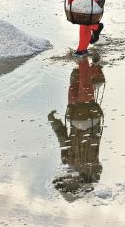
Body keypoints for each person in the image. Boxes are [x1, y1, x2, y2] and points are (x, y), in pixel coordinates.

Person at [48, 56, 106, 197]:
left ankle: (92, 66)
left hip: (74, 115)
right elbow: (97, 173)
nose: (64, 178)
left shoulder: (66, 161)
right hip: (89, 120)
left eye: (63, 180)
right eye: (66, 182)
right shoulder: (90, 172)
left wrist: (55, 123)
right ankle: (83, 56)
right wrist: (85, 187)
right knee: (84, 82)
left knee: (75, 80)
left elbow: (63, 140)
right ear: (75, 184)